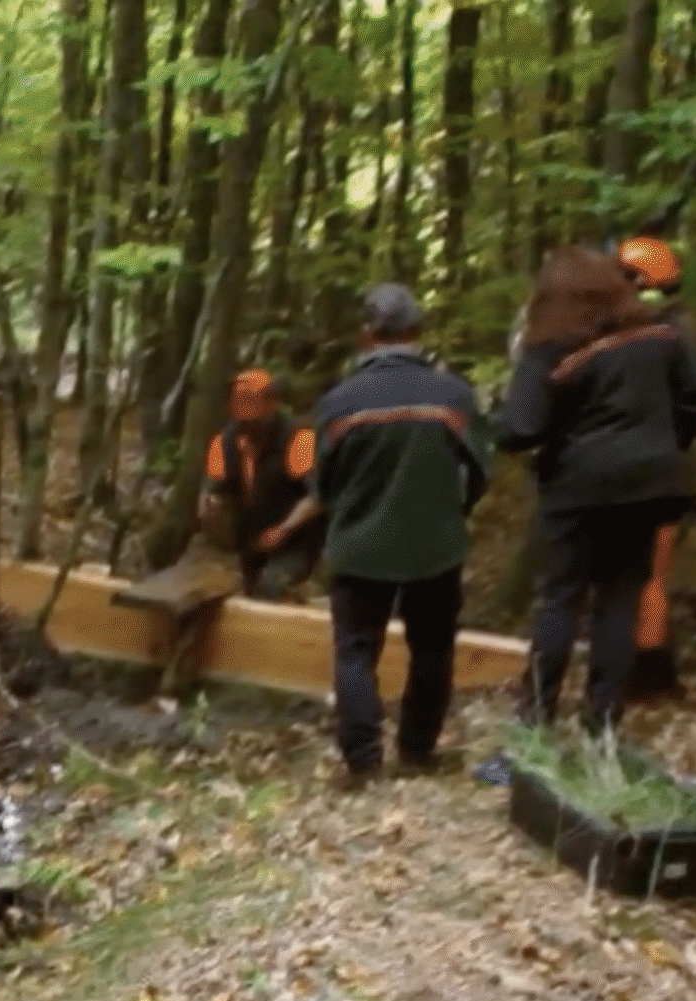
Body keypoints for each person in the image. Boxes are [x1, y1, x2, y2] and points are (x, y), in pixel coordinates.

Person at [258, 284, 491, 790]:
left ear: (366, 335)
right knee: (432, 647)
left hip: (360, 545)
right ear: (417, 332)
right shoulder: (453, 394)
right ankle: (417, 751)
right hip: (436, 546)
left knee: (356, 652)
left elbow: (321, 484)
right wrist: (450, 515)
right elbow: (478, 472)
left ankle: (364, 764)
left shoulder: (339, 403)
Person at [497, 246, 696, 745]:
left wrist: (499, 417)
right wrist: (661, 444)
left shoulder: (549, 345)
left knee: (561, 601)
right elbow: (694, 400)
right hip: (652, 484)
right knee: (620, 601)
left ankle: (535, 722)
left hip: (578, 488)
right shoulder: (663, 336)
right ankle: (603, 727)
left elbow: (521, 428)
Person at [616, 236, 696, 703]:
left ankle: (649, 674)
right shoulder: (680, 327)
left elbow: (691, 400)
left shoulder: (669, 334)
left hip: (655, 463)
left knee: (647, 573)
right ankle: (648, 668)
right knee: (649, 573)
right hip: (665, 459)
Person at [196, 369, 322, 600]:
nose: (247, 423)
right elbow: (212, 487)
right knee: (252, 594)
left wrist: (282, 530)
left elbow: (317, 497)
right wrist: (210, 505)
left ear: (273, 404)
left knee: (271, 586)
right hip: (250, 539)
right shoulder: (224, 441)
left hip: (295, 541)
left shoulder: (298, 438)